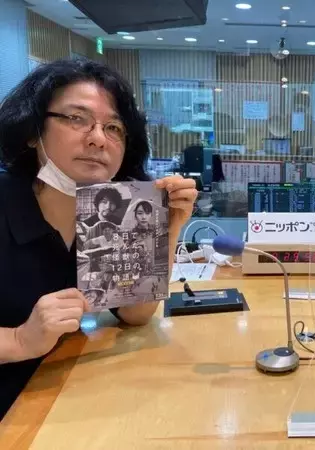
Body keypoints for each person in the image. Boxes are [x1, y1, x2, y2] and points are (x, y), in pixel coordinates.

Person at [0, 59, 198, 419]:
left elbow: (135, 313)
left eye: (114, 127)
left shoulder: (111, 208)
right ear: (32, 130)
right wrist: (18, 340)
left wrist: (168, 230)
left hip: (62, 396)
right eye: (76, 119)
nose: (98, 138)